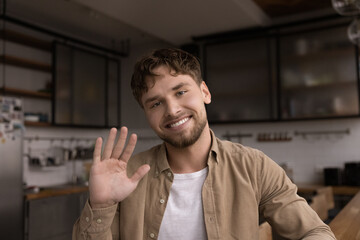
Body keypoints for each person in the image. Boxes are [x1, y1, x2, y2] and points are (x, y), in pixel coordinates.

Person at [73, 48, 336, 240]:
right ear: (146, 112)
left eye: (181, 91)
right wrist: (100, 205)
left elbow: (314, 232)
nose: (173, 110)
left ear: (205, 92)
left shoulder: (254, 167)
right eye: (155, 103)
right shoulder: (127, 175)